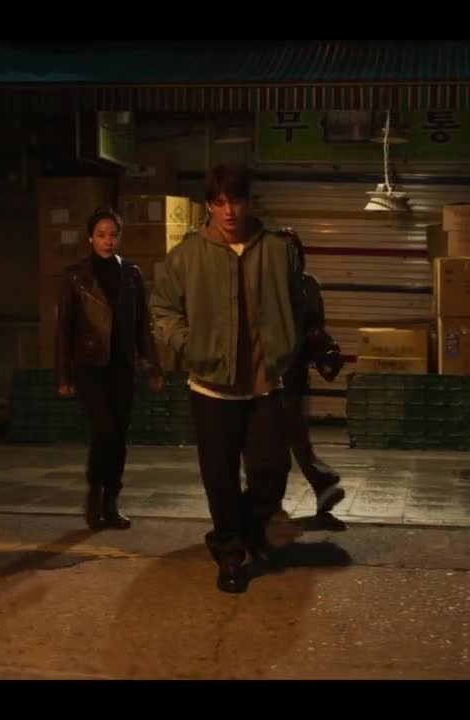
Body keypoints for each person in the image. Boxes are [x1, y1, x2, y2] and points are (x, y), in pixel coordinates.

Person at [151, 164, 304, 594]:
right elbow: (162, 309)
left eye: (235, 201)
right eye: (219, 203)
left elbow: (298, 302)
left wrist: (288, 347)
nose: (229, 211)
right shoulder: (188, 255)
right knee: (219, 476)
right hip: (211, 385)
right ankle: (230, 552)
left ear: (248, 201)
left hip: (263, 383)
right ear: (209, 206)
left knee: (272, 469)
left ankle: (248, 528)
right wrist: (189, 346)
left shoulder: (278, 250)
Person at [56, 206, 163, 531]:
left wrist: (153, 367)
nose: (108, 241)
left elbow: (143, 325)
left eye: (113, 235)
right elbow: (64, 329)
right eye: (101, 235)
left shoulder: (131, 274)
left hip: (122, 368)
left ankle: (111, 502)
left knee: (119, 436)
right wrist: (64, 376)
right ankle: (95, 493)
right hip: (90, 366)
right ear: (90, 237)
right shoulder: (75, 276)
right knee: (105, 431)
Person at [280, 229, 347, 524]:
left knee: (294, 436)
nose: (289, 257)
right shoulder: (263, 285)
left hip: (292, 372)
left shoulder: (308, 286)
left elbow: (315, 327)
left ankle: (321, 484)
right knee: (275, 442)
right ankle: (319, 484)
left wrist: (324, 353)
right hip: (265, 372)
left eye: (293, 251)